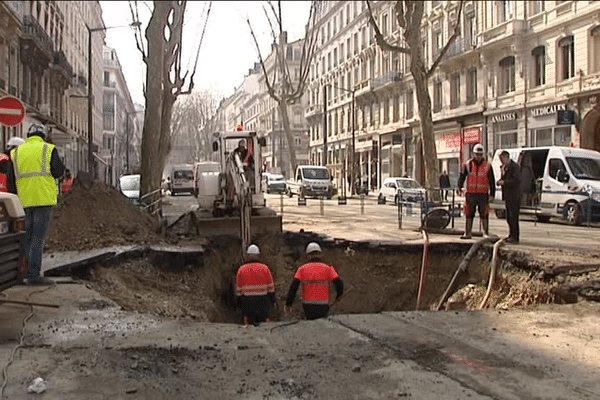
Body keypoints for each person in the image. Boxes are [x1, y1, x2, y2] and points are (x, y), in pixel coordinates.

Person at [11, 123, 65, 285]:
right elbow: (59, 171)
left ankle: (24, 271)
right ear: (43, 135)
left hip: (24, 200)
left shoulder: (16, 152)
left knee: (26, 237)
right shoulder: (48, 149)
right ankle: (34, 274)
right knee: (38, 238)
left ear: (28, 135)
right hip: (43, 199)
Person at [285, 242, 344, 320]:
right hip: (323, 305)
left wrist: (288, 304)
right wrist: (338, 298)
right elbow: (339, 284)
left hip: (308, 306)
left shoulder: (302, 269)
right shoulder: (328, 268)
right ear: (320, 255)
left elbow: (294, 287)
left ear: (308, 256)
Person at [457, 144, 495, 239]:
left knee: (484, 213)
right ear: (473, 154)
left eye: (480, 154)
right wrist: (459, 187)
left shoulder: (487, 166)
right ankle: (467, 232)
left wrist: (492, 194)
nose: (478, 156)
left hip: (483, 194)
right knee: (469, 213)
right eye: (477, 154)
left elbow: (492, 181)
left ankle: (485, 232)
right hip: (471, 194)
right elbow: (462, 177)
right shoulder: (468, 164)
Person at [235, 244, 277, 327]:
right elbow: (271, 289)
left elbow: (238, 292)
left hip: (248, 303)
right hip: (263, 303)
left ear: (247, 256)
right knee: (263, 326)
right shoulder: (265, 269)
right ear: (258, 256)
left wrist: (239, 307)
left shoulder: (241, 270)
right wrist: (273, 302)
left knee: (249, 326)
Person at [498, 151, 522, 244]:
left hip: (514, 196)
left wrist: (505, 182)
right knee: (509, 217)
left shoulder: (514, 167)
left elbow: (516, 180)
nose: (501, 161)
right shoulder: (505, 167)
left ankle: (515, 236)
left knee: (513, 217)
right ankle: (511, 234)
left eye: (502, 159)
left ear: (506, 157)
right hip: (508, 196)